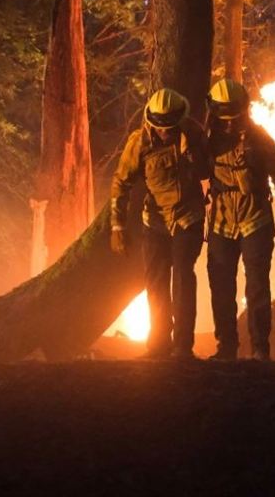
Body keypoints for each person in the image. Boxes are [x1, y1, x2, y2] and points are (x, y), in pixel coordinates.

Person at [205, 78, 275, 361]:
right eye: (224, 121)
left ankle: (260, 349)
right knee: (221, 286)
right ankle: (226, 348)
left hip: (255, 219)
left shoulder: (259, 138)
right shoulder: (206, 140)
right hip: (221, 221)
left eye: (235, 120)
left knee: (257, 286)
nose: (230, 126)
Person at [111, 88, 210, 359]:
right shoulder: (139, 141)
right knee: (155, 284)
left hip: (188, 219)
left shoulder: (194, 133)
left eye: (170, 128)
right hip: (154, 222)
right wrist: (117, 226)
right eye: (161, 128)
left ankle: (183, 347)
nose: (165, 133)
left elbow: (207, 171)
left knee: (182, 279)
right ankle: (157, 346)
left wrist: (193, 156)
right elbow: (121, 182)